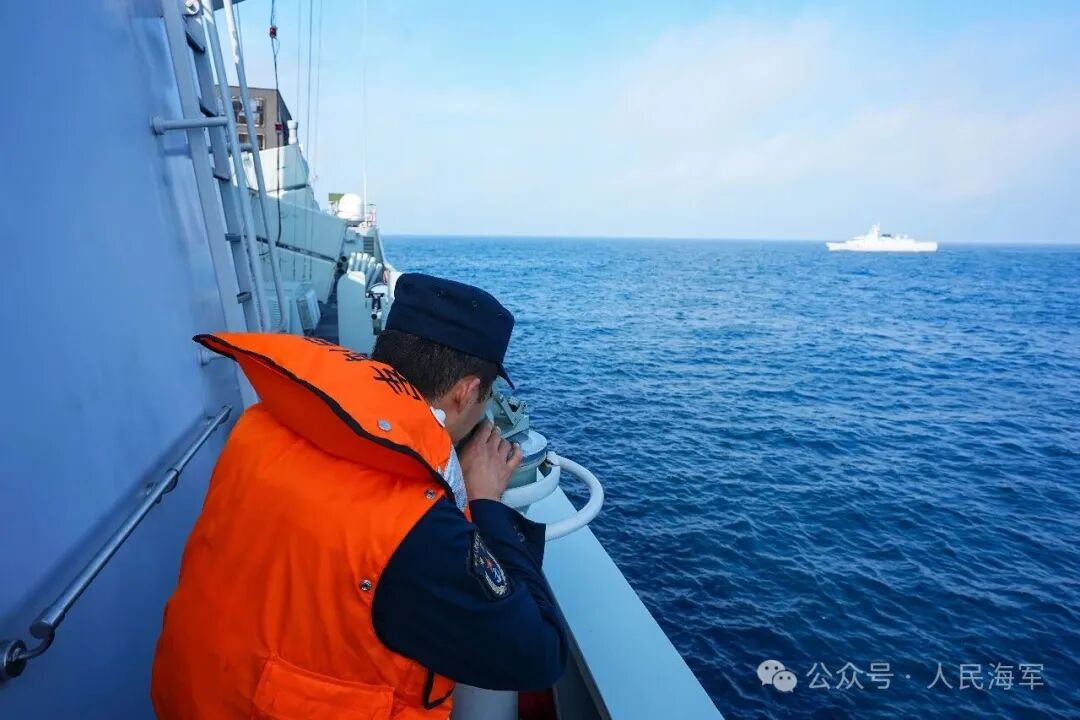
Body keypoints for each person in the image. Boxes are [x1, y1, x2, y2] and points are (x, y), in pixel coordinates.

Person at [151, 273, 567, 720]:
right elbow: (540, 653)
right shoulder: (416, 526)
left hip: (194, 692)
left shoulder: (261, 425)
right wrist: (485, 504)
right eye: (486, 396)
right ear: (465, 393)